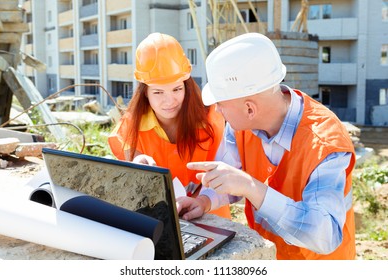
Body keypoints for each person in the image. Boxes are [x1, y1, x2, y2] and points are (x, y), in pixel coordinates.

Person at [176, 33, 356, 259]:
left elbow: (325, 235)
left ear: (250, 109)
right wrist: (204, 200)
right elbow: (229, 177)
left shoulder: (325, 144)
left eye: (221, 104)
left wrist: (252, 188)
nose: (218, 111)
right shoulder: (240, 124)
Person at [108, 32, 231, 219]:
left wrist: (202, 201)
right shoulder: (131, 126)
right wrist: (137, 165)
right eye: (158, 92)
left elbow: (225, 168)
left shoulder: (211, 119)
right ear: (145, 93)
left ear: (187, 86)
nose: (169, 101)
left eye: (177, 89)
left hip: (210, 215)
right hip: (161, 218)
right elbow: (132, 169)